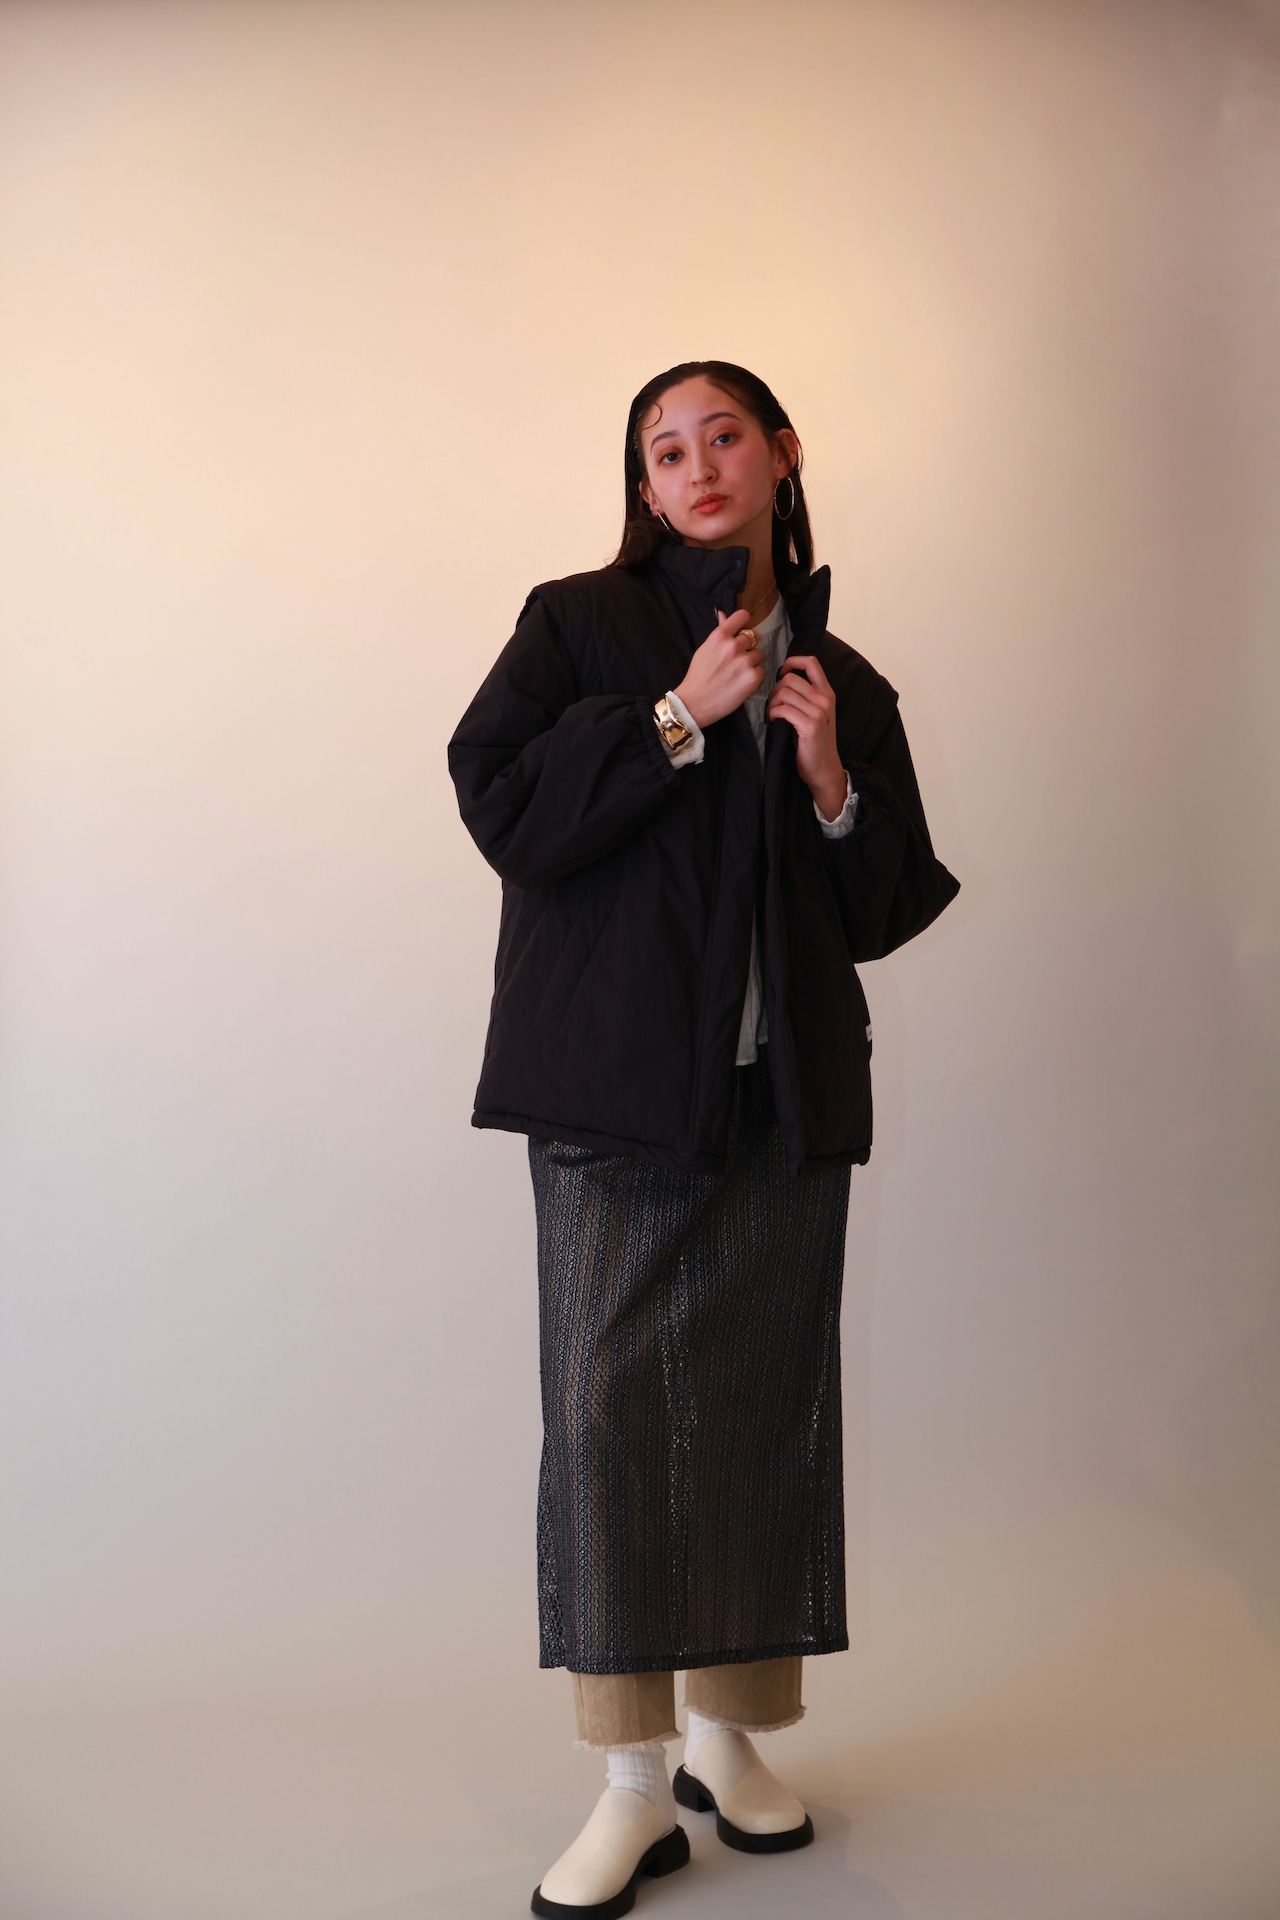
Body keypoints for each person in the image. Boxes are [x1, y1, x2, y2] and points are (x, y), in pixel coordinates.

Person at [448, 361, 959, 1916]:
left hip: (778, 1100)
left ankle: (729, 1746)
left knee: (754, 1413)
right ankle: (630, 1783)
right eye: (665, 451)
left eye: (722, 435)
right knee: (608, 1424)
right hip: (613, 1097)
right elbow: (500, 805)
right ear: (646, 489)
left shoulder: (840, 674)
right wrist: (676, 717)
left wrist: (828, 779)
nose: (697, 466)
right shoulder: (577, 627)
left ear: (781, 453)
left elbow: (883, 904)